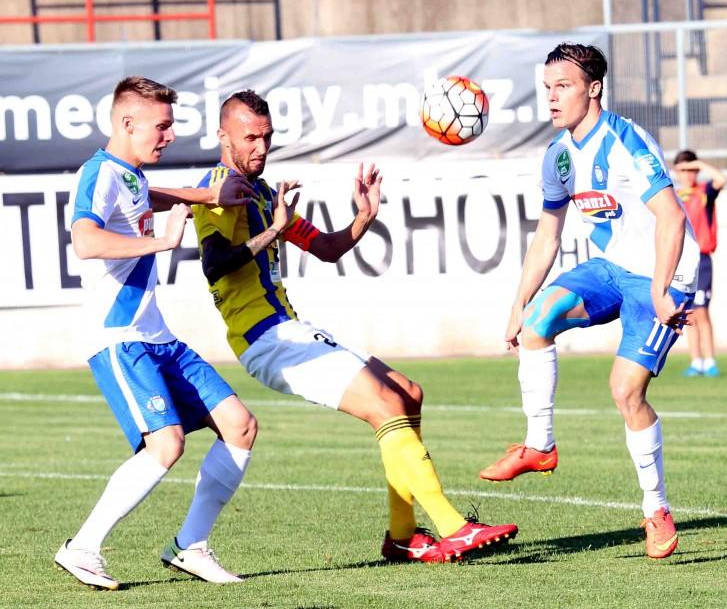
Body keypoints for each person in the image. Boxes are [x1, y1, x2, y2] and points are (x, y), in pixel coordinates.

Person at [190, 90, 516, 564]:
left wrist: (363, 217)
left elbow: (324, 247)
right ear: (223, 136)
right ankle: (454, 527)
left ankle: (403, 535)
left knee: (406, 393)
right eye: (249, 138)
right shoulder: (219, 189)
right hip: (265, 337)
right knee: (386, 404)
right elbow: (215, 264)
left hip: (288, 328)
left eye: (267, 137)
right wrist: (275, 231)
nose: (261, 148)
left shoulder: (261, 192)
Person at [477, 43, 699, 559]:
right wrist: (519, 302)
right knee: (538, 319)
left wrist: (664, 291)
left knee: (625, 392)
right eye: (547, 86)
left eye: (564, 86)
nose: (551, 97)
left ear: (593, 89)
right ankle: (540, 445)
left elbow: (673, 218)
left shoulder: (626, 143)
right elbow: (546, 236)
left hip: (661, 277)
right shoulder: (558, 154)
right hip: (611, 268)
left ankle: (656, 509)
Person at [57, 76, 259, 589]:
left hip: (157, 336)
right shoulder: (97, 174)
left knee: (239, 424)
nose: (169, 136)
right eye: (162, 126)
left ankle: (190, 546)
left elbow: (154, 193)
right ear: (127, 123)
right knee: (165, 444)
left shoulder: (130, 175)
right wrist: (160, 243)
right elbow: (84, 240)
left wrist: (212, 194)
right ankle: (81, 548)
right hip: (119, 338)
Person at [672, 150, 727, 378]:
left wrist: (700, 164)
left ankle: (710, 360)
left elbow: (722, 180)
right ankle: (696, 361)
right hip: (681, 260)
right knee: (689, 313)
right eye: (683, 170)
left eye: (691, 169)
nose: (687, 174)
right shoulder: (673, 196)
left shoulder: (704, 192)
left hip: (702, 260)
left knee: (702, 311)